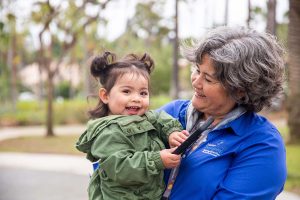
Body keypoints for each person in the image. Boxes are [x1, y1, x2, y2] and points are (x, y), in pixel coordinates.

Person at [157, 26, 287, 199]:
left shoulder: (261, 143)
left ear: (240, 89)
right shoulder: (172, 113)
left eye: (208, 79)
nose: (196, 82)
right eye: (197, 70)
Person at [76, 51, 188, 200]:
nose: (136, 98)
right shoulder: (108, 132)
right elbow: (120, 168)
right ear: (105, 95)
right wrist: (157, 160)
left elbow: (162, 119)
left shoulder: (146, 117)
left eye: (143, 93)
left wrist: (172, 132)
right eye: (127, 91)